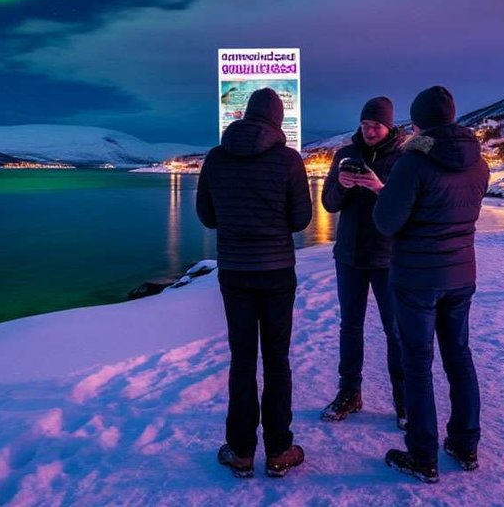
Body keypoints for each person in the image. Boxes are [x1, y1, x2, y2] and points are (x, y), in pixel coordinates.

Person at [373, 86, 489, 484]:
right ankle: (465, 442)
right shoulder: (478, 162)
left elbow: (386, 222)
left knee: (418, 364)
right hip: (461, 274)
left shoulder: (413, 162)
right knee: (459, 357)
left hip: (417, 279)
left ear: (419, 121)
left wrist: (383, 196)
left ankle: (422, 455)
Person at [196, 87, 313, 479]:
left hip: (235, 272)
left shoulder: (216, 157)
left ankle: (242, 450)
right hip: (278, 272)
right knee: (277, 359)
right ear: (278, 120)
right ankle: (279, 449)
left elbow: (207, 217)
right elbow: (300, 221)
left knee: (242, 359)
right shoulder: (288, 160)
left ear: (245, 115)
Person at [320, 97, 406, 428]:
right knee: (350, 328)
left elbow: (405, 210)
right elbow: (328, 204)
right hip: (350, 256)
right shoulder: (344, 155)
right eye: (365, 125)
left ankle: (403, 400)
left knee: (395, 331)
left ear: (389, 126)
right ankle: (349, 393)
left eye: (376, 126)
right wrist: (341, 187)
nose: (369, 131)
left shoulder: (403, 158)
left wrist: (379, 188)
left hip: (388, 258)